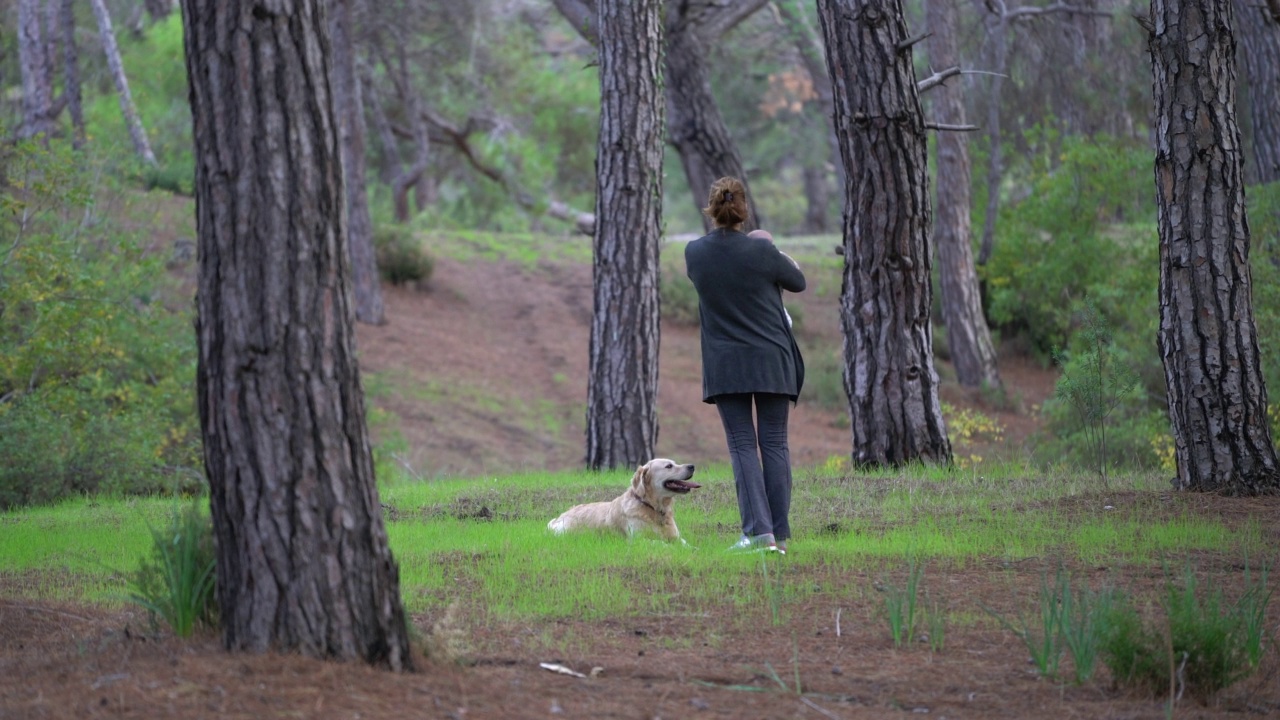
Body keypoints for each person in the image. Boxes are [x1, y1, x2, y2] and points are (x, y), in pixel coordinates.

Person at [684, 176, 806, 555]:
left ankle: (758, 534)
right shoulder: (763, 252)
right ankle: (779, 535)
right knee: (774, 444)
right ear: (743, 210)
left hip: (727, 364)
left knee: (742, 447)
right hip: (773, 359)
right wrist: (768, 244)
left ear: (711, 209)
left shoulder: (694, 253)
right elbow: (797, 281)